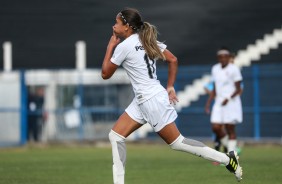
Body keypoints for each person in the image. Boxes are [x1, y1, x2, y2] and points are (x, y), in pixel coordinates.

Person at [101, 8, 243, 184]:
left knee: (177, 142)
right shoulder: (147, 40)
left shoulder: (124, 46)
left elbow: (105, 73)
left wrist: (110, 47)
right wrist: (169, 86)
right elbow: (173, 59)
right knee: (115, 136)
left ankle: (227, 159)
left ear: (127, 27)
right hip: (145, 99)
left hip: (151, 100)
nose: (114, 25)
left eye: (117, 22)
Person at [205, 47, 243, 155]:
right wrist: (208, 103)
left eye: (225, 57)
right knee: (216, 127)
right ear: (218, 58)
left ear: (229, 57)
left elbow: (238, 89)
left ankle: (231, 154)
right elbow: (215, 88)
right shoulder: (215, 68)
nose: (223, 59)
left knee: (230, 128)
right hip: (219, 102)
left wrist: (229, 98)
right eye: (220, 57)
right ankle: (233, 150)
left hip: (231, 102)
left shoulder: (234, 69)